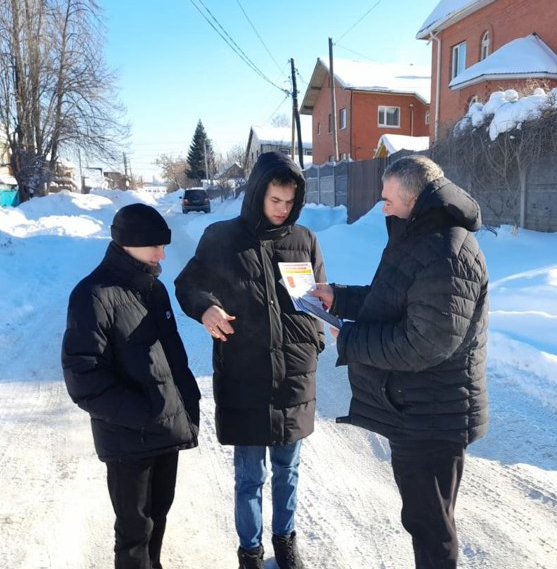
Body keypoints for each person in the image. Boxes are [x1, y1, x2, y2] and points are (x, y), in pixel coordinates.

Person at [312, 155, 489, 569]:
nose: (382, 206)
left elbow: (424, 343)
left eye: (388, 198)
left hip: (433, 416)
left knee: (430, 525)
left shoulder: (446, 252)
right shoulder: (419, 237)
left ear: (413, 198)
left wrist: (352, 337)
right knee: (423, 519)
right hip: (416, 409)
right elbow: (392, 299)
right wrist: (338, 296)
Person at [174, 151, 325, 569]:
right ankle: (251, 551)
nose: (283, 210)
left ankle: (286, 540)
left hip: (294, 373)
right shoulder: (221, 238)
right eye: (275, 200)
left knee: (288, 468)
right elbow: (187, 285)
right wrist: (205, 307)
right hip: (245, 373)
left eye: (290, 202)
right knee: (249, 475)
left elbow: (315, 299)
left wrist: (316, 337)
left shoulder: (304, 240)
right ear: (258, 193)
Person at [61, 203, 201, 569]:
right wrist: (145, 412)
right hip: (129, 436)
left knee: (158, 517)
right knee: (133, 531)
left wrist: (185, 402)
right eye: (154, 245)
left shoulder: (154, 290)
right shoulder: (93, 295)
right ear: (127, 243)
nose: (162, 254)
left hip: (164, 427)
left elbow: (172, 357)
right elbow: (83, 378)